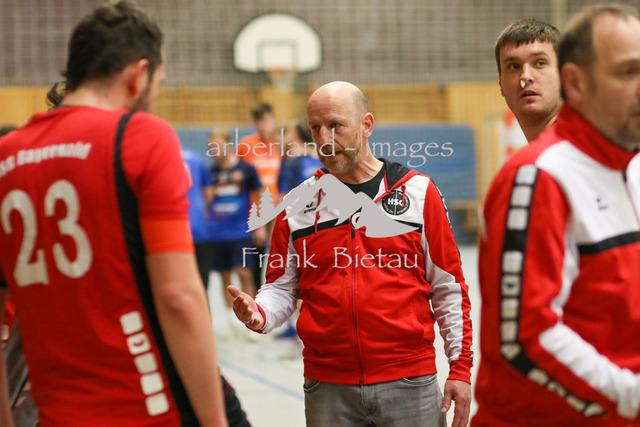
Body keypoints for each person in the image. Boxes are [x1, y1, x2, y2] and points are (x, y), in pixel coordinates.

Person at [0, 2, 226, 426]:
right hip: (146, 407)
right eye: (158, 82)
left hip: (54, 413)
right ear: (139, 74)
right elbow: (178, 298)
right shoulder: (141, 136)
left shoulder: (7, 155)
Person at [229, 81, 473, 426]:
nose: (324, 139)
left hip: (409, 381)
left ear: (366, 125)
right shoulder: (297, 206)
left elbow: (448, 287)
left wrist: (460, 369)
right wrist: (261, 312)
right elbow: (281, 287)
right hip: (327, 387)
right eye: (315, 127)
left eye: (335, 125)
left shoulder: (418, 194)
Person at [474, 4, 640, 426]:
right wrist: (631, 397)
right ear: (576, 83)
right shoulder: (538, 176)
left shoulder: (629, 165)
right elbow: (527, 334)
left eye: (538, 63)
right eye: (628, 72)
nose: (525, 77)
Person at [207, 127, 265, 332]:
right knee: (224, 276)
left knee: (244, 273)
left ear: (228, 145)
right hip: (217, 234)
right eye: (212, 147)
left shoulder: (246, 169)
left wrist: (260, 226)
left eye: (219, 145)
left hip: (241, 231)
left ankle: (252, 315)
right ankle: (230, 320)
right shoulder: (210, 173)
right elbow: (205, 202)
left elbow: (260, 197)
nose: (216, 150)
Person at [495, 18, 562, 142]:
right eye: (514, 66)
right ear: (501, 84)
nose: (525, 76)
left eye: (540, 63)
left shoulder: (582, 144)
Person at [238, 102, 281, 290]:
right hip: (255, 211)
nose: (262, 126)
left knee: (281, 260)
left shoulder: (281, 145)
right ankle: (258, 299)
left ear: (273, 119)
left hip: (280, 209)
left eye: (266, 120)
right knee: (255, 262)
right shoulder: (246, 145)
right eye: (258, 122)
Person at [277, 119, 323, 200]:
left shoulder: (290, 162)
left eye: (287, 132)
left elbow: (283, 194)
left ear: (294, 134)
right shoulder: (320, 158)